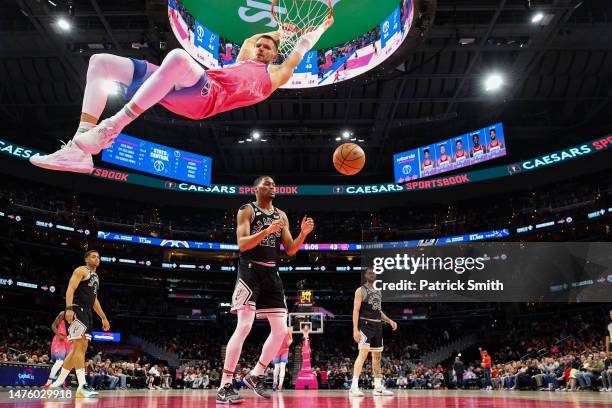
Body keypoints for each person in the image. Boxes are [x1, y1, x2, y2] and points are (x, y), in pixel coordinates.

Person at [30, 17, 334, 174]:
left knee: (176, 57)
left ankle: (111, 128)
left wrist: (316, 29)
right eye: (260, 44)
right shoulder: (244, 57)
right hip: (179, 86)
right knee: (100, 63)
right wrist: (277, 32)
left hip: (204, 99)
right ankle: (79, 148)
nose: (262, 47)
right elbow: (248, 39)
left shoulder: (275, 75)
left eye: (269, 48)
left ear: (274, 56)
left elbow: (301, 49)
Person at [216, 176, 315, 403]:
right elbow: (242, 244)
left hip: (272, 273)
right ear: (256, 189)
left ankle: (256, 374)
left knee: (281, 331)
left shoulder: (281, 215)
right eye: (267, 184)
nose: (272, 186)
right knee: (245, 325)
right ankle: (225, 386)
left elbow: (290, 249)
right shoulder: (246, 210)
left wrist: (303, 234)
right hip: (250, 270)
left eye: (274, 184)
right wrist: (268, 230)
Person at [49, 250, 110, 398]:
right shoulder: (81, 270)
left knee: (78, 348)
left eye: (98, 257)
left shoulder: (96, 276)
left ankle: (56, 384)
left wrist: (103, 317)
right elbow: (70, 288)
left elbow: (94, 300)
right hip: (77, 309)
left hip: (87, 312)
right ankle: (82, 386)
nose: (97, 259)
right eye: (93, 256)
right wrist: (69, 308)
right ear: (86, 259)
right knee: (79, 348)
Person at [350, 269, 397, 397]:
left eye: (374, 273)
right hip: (365, 325)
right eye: (369, 273)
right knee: (363, 354)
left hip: (377, 325)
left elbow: (378, 311)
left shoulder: (378, 292)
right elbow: (356, 310)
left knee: (377, 357)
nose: (372, 275)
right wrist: (355, 329)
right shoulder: (361, 290)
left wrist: (389, 320)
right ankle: (353, 387)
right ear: (365, 276)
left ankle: (378, 387)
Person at [44, 311, 72, 388]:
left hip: (70, 340)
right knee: (59, 362)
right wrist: (58, 335)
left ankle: (62, 384)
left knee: (66, 364)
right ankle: (48, 383)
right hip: (60, 338)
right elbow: (53, 325)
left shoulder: (79, 316)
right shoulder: (63, 313)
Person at [272, 327, 293, 391]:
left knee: (282, 367)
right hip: (276, 350)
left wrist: (289, 342)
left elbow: (291, 339)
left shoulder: (289, 329)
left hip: (285, 350)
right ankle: (275, 382)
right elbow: (272, 338)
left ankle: (280, 384)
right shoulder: (276, 327)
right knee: (276, 368)